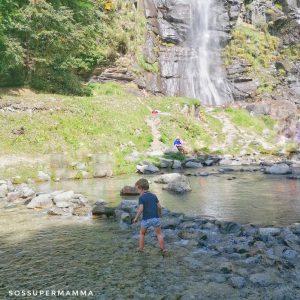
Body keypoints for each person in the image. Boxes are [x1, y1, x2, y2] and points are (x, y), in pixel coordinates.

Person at [133, 178, 165, 253]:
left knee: (142, 233)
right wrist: (159, 215)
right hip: (155, 218)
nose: (138, 192)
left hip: (146, 219)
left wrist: (136, 218)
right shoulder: (154, 195)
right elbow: (159, 207)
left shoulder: (141, 197)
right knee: (159, 234)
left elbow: (141, 209)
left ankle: (141, 248)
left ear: (141, 188)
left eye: (138, 190)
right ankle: (163, 249)